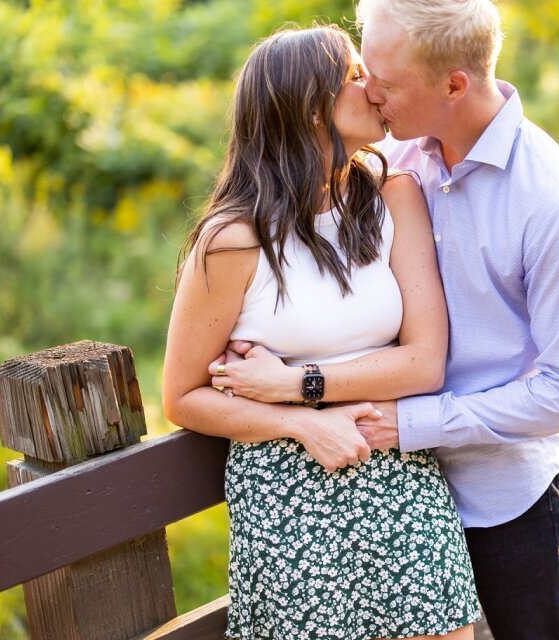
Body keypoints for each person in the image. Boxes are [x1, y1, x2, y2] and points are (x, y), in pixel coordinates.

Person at [215, 2, 559, 638]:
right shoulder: (396, 157)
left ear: (453, 83)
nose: (368, 91)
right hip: (387, 485)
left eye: (384, 82)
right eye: (365, 73)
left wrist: (411, 423)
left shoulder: (555, 206)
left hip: (500, 493)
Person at [162, 24, 480, 640]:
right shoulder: (233, 241)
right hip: (289, 495)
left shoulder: (395, 197)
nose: (376, 87)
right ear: (312, 110)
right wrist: (300, 420)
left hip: (398, 474)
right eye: (356, 77)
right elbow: (181, 396)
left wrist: (294, 385)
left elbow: (424, 363)